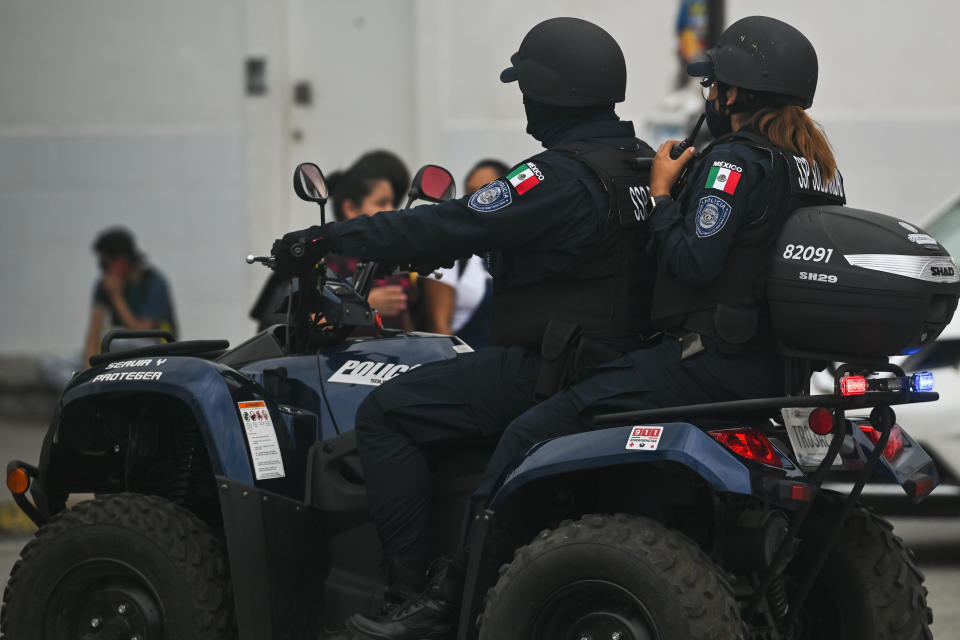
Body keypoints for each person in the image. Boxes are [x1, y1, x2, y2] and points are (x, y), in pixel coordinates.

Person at [339, 14, 845, 639]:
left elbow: (693, 258)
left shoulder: (728, 162)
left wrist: (665, 198)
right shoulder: (817, 168)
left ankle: (440, 598)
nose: (708, 96)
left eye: (714, 84)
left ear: (736, 92)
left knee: (520, 431)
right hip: (774, 368)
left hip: (703, 359)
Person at [272, 17, 657, 638]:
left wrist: (326, 238)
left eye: (526, 88)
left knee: (388, 413)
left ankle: (409, 596)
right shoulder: (639, 166)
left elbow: (444, 224)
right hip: (621, 367)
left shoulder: (555, 174)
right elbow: (573, 253)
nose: (524, 102)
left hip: (553, 369)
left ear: (549, 94)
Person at [419, 160, 508, 347]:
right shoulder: (452, 253)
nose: (476, 200)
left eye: (486, 192)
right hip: (470, 366)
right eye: (470, 192)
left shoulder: (517, 249)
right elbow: (439, 328)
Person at [84, 227, 177, 366]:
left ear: (121, 261)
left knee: (118, 341)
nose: (104, 269)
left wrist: (116, 296)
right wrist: (88, 370)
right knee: (49, 365)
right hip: (115, 353)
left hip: (154, 352)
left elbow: (142, 331)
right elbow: (93, 335)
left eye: (106, 263)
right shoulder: (103, 286)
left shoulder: (154, 283)